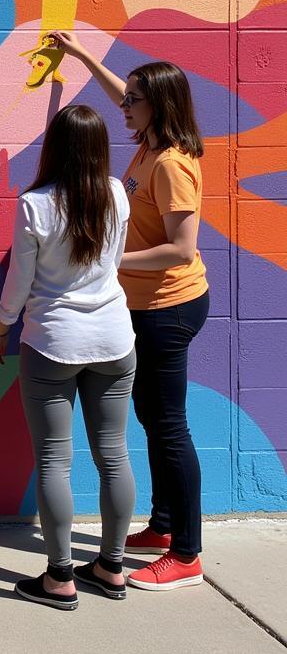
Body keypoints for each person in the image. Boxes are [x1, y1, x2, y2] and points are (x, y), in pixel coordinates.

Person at [51, 31, 209, 591]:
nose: (122, 105)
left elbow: (182, 248)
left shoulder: (169, 164)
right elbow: (122, 87)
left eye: (132, 100)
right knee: (151, 417)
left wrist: (109, 256)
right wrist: (82, 56)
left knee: (168, 426)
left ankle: (187, 553)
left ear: (156, 107)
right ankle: (163, 526)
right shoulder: (148, 139)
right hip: (145, 306)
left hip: (170, 306)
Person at [0, 105, 135, 610]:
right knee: (113, 455)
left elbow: (20, 280)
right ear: (99, 147)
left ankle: (59, 578)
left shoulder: (35, 203)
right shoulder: (117, 193)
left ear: (54, 147)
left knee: (54, 459)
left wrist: (2, 325)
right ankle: (112, 568)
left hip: (53, 341)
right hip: (115, 339)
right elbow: (114, 263)